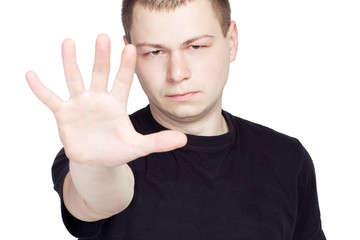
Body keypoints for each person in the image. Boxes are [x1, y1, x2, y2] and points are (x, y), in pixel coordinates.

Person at [26, 0, 326, 239]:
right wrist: (97, 167)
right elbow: (98, 200)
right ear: (130, 52)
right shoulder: (96, 151)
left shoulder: (287, 157)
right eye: (155, 52)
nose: (177, 73)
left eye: (196, 46)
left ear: (231, 40)